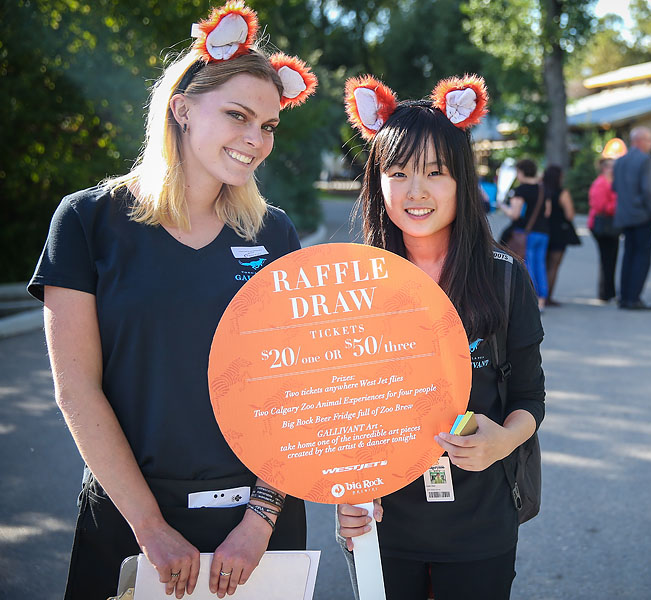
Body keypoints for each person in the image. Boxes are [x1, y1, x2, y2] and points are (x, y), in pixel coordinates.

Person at [26, 3, 316, 598]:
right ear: (181, 109)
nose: (255, 140)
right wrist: (150, 526)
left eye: (267, 126)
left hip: (255, 526)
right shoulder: (88, 220)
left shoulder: (274, 234)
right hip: (132, 522)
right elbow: (76, 388)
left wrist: (261, 518)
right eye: (238, 115)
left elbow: (293, 384)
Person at [339, 74, 545, 599]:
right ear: (376, 181)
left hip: (480, 524)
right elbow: (339, 406)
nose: (416, 191)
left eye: (436, 172)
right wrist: (345, 489)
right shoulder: (355, 285)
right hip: (383, 522)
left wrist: (502, 440)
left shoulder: (504, 277)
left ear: (462, 182)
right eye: (399, 172)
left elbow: (529, 398)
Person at [613, 126, 651, 310]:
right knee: (641, 258)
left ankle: (624, 296)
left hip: (625, 216)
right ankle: (634, 298)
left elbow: (616, 188)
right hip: (642, 216)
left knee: (628, 256)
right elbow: (649, 189)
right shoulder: (644, 160)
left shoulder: (620, 161)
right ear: (639, 141)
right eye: (649, 140)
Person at [502, 159, 551, 310]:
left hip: (525, 233)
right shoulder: (543, 189)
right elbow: (547, 212)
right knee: (540, 265)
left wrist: (502, 206)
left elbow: (515, 214)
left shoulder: (521, 190)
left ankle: (531, 299)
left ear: (521, 172)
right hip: (543, 232)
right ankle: (542, 300)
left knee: (527, 266)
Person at [544, 165, 578, 306]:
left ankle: (538, 296)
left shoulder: (542, 191)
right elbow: (570, 215)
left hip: (543, 230)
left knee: (542, 265)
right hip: (559, 232)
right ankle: (548, 296)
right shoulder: (562, 193)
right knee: (554, 266)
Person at [587, 158, 620, 302]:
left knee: (611, 258)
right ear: (604, 168)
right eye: (611, 167)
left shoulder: (612, 183)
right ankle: (605, 292)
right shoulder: (600, 184)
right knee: (607, 258)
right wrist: (617, 205)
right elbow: (600, 206)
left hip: (611, 224)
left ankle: (609, 291)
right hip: (602, 225)